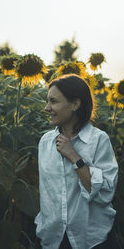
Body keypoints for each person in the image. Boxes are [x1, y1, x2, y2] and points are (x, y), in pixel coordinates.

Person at [34, 74, 120, 249]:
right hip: (54, 238)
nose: (47, 108)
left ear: (75, 104)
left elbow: (105, 194)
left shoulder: (98, 140)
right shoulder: (45, 142)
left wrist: (74, 157)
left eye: (53, 101)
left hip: (92, 239)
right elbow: (48, 195)